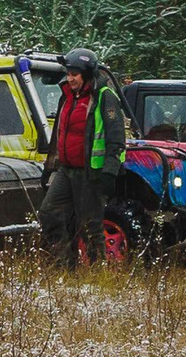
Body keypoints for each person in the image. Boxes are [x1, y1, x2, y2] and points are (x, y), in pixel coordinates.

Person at [39, 48, 128, 265]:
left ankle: (97, 272)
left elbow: (116, 137)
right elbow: (59, 133)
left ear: (87, 74)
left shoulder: (104, 97)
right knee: (49, 212)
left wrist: (110, 171)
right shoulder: (67, 96)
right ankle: (64, 265)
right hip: (66, 168)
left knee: (89, 225)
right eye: (68, 74)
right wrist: (50, 167)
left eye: (74, 74)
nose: (70, 78)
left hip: (91, 172)